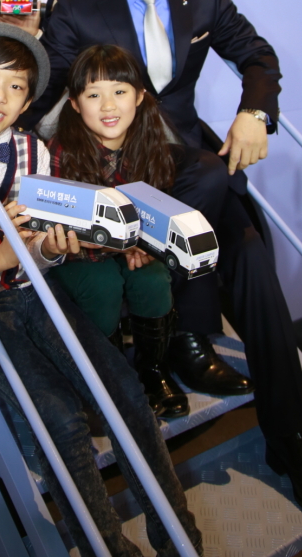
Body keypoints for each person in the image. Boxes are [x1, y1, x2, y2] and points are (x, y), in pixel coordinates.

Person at [24, 0, 302, 525]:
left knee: (236, 221)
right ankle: (184, 335)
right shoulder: (80, 3)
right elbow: (47, 101)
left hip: (188, 159)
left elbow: (256, 56)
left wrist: (256, 112)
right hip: (118, 164)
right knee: (231, 215)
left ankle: (294, 441)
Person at [0, 23, 203, 557]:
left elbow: (40, 250)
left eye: (16, 86)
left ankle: (181, 539)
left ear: (29, 101)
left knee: (126, 393)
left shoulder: (32, 152)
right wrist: (1, 254)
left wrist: (53, 247)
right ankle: (105, 546)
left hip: (32, 289)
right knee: (59, 415)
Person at [49, 44, 188, 419]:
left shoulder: (151, 141)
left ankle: (153, 372)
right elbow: (67, 229)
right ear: (75, 103)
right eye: (93, 95)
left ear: (140, 96)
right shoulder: (60, 152)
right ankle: (107, 380)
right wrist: (121, 247)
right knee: (102, 286)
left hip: (130, 247)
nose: (108, 106)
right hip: (78, 251)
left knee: (154, 277)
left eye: (120, 92)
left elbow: (156, 206)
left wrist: (144, 244)